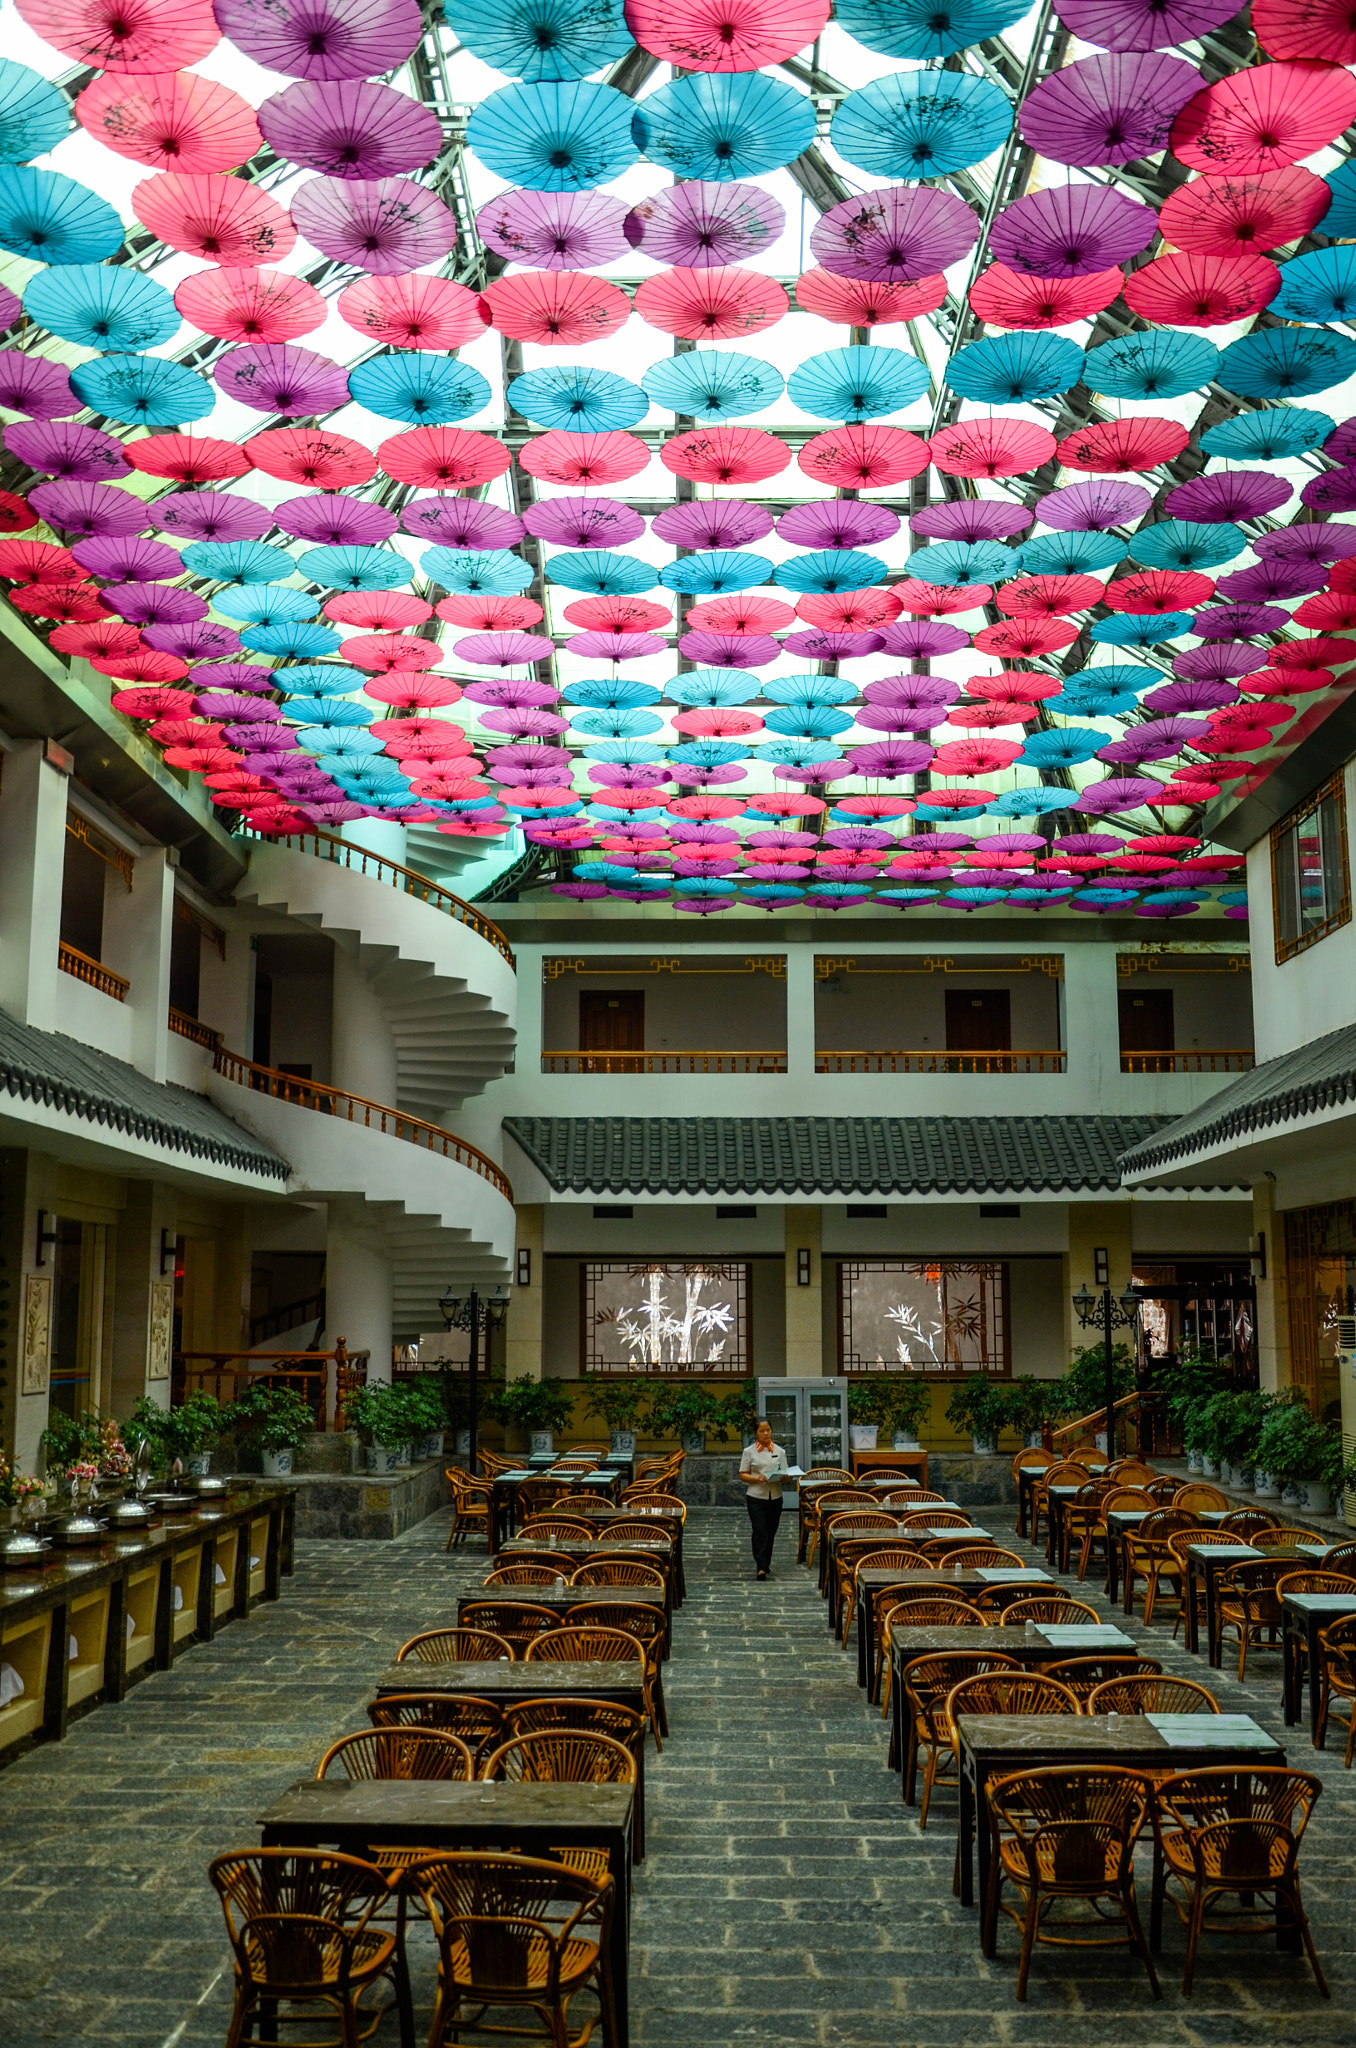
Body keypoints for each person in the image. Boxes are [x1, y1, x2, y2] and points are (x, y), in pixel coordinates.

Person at [738, 1418, 789, 1579]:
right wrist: (757, 1478)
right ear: (756, 1433)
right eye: (762, 1431)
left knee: (771, 1531)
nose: (766, 1433)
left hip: (775, 1495)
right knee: (760, 1530)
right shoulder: (749, 1451)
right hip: (756, 1495)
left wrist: (786, 1478)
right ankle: (761, 1566)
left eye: (768, 1430)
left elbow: (785, 1472)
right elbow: (743, 1474)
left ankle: (766, 1562)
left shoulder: (780, 1451)